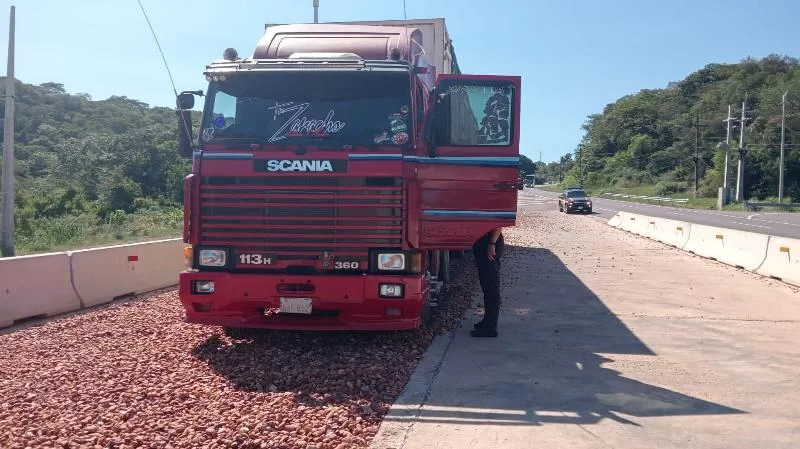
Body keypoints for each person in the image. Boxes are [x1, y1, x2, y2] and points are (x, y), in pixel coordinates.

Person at [471, 227, 504, 337]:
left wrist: (492, 243)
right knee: (486, 286)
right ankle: (487, 321)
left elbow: (500, 222)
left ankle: (491, 328)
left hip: (490, 243)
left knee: (491, 287)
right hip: (484, 242)